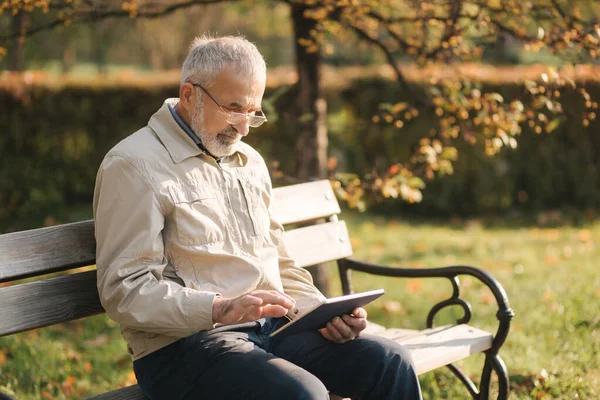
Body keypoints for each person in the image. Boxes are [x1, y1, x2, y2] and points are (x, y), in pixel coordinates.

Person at [93, 35, 422, 400]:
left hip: (272, 331)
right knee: (304, 394)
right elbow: (124, 290)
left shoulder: (248, 161)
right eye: (234, 108)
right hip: (185, 349)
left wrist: (323, 313)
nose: (245, 128)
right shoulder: (133, 165)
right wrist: (218, 308)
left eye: (253, 111)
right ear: (189, 95)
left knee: (391, 360)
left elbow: (279, 259)